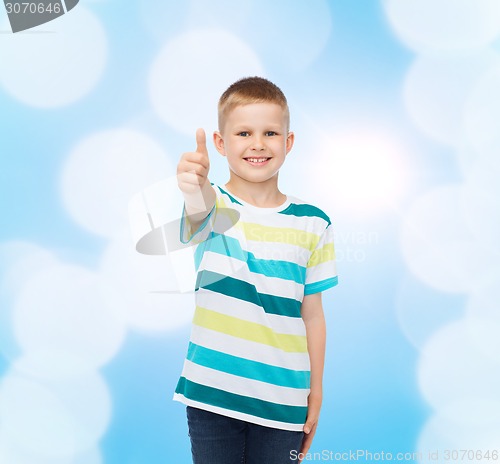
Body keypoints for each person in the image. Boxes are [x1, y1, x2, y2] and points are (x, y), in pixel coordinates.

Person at [174, 76, 338, 464]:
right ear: (220, 143)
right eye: (244, 132)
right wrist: (192, 184)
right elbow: (198, 204)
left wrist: (316, 391)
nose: (258, 144)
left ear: (288, 142)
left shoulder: (314, 222)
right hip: (212, 395)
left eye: (270, 133)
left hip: (285, 401)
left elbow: (312, 315)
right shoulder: (213, 208)